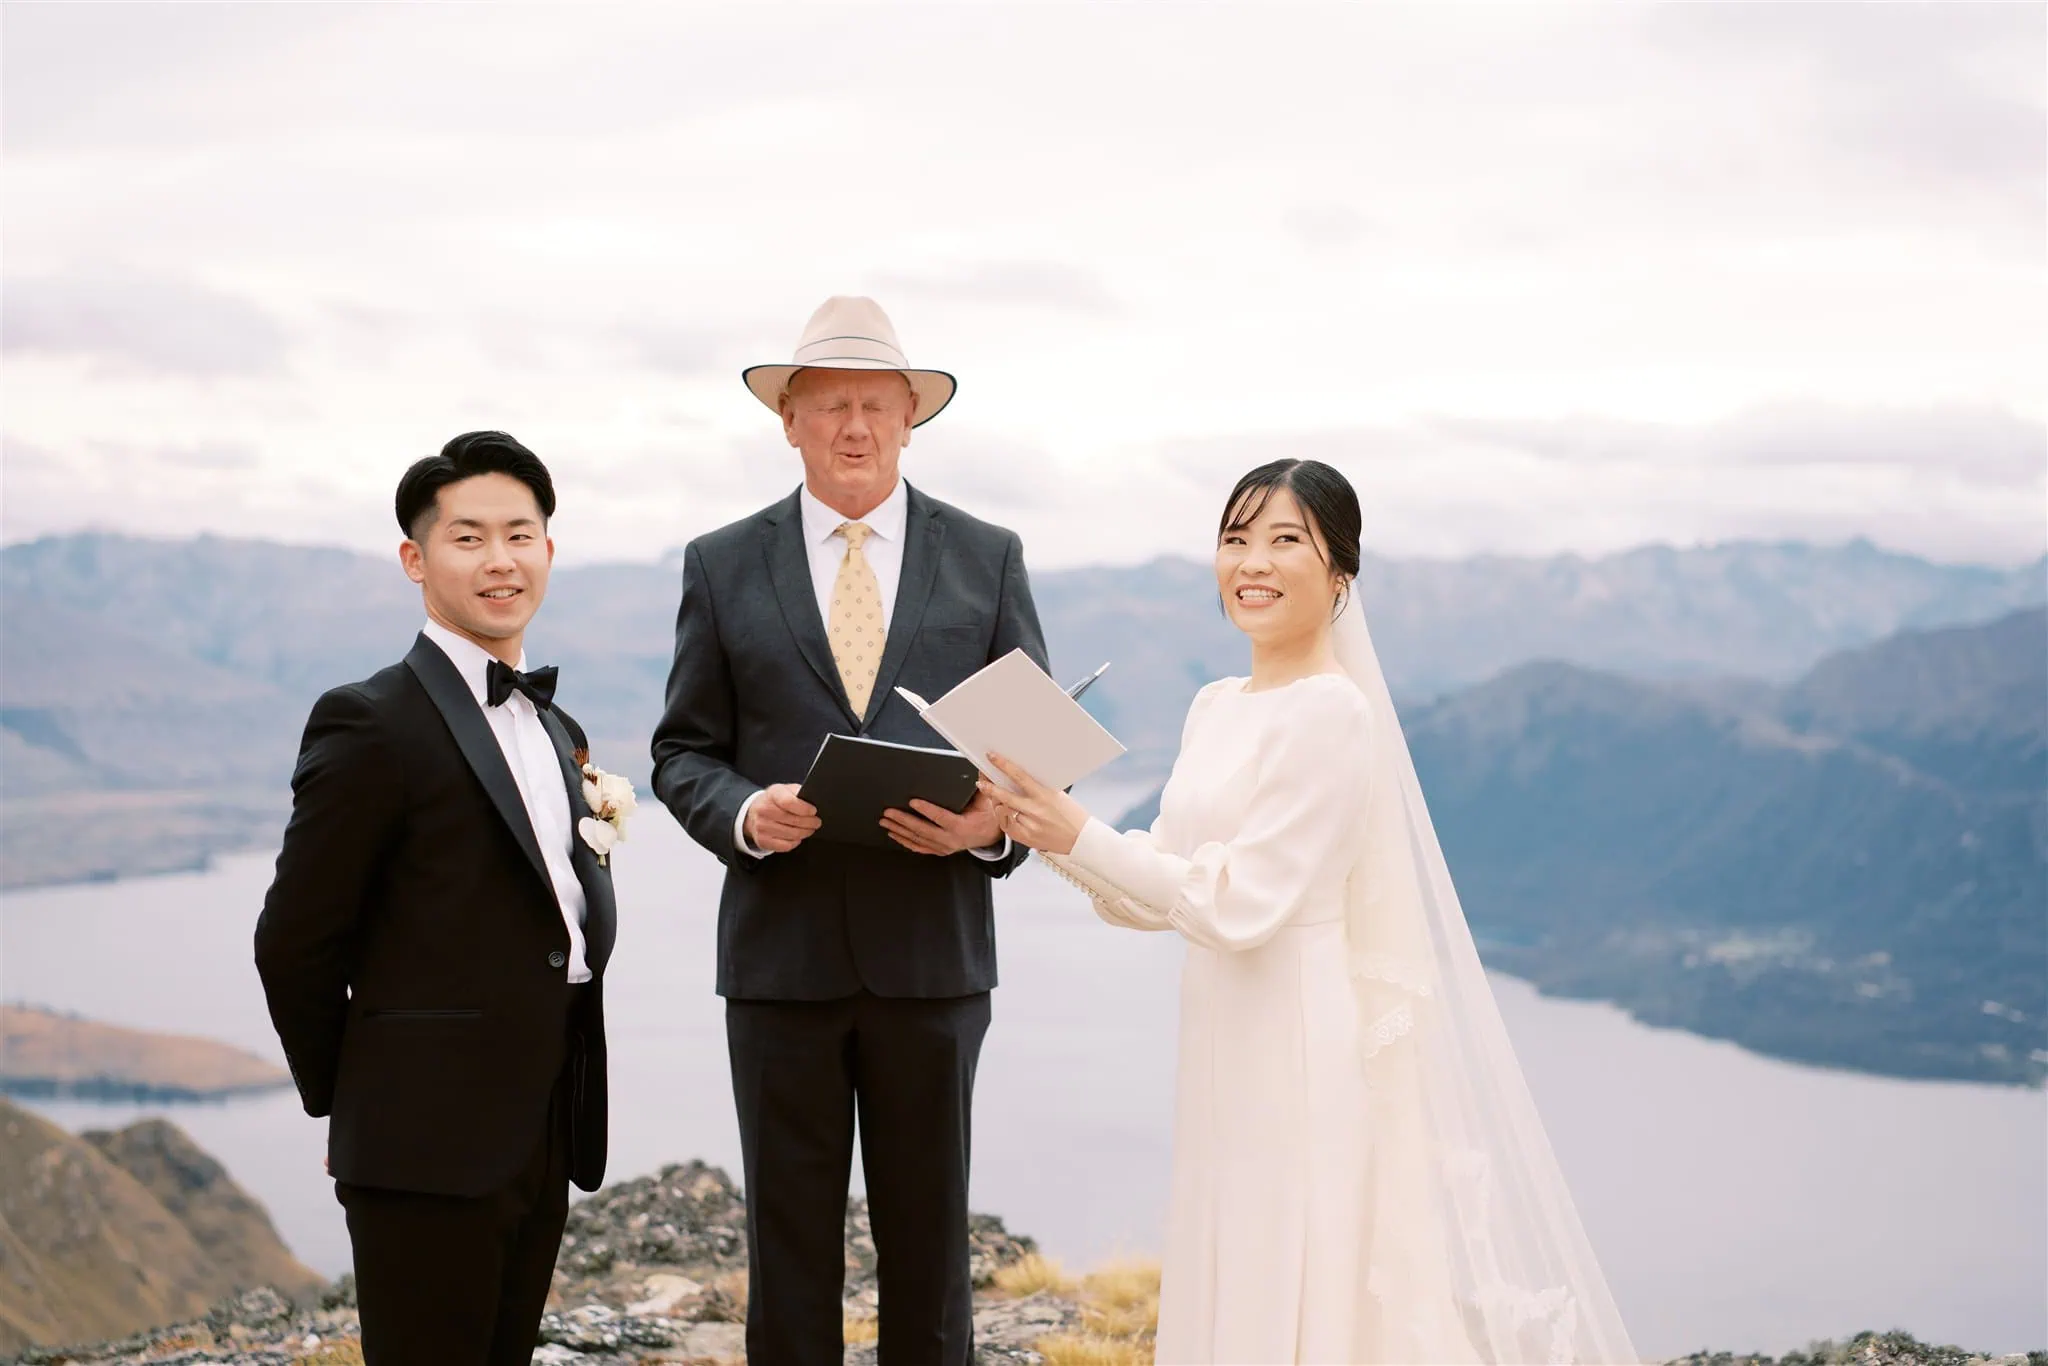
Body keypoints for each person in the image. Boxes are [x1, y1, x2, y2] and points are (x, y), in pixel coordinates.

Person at [983, 458, 1638, 1364]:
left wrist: (1078, 830)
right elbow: (1159, 888)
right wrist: (1042, 823)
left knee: (1289, 1254)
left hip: (1296, 1033)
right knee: (1234, 1240)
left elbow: (1238, 905)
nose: (1252, 561)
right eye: (1235, 538)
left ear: (1340, 573)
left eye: (1285, 539)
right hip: (1225, 1027)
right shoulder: (1216, 705)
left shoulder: (1333, 712)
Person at [650, 296, 1049, 1366]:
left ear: (912, 418)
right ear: (788, 419)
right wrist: (745, 812)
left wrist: (985, 831)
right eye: (830, 405)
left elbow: (1030, 758)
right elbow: (681, 752)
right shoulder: (720, 562)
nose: (855, 427)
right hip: (780, 962)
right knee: (787, 1247)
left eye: (877, 405)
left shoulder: (988, 556)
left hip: (934, 959)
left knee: (931, 1241)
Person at [254, 432, 619, 1366]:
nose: (501, 560)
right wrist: (356, 1104)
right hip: (420, 1141)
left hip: (543, 1125)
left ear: (549, 550)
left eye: (520, 535)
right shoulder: (370, 720)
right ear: (415, 560)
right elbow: (294, 941)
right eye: (468, 538)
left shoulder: (554, 724)